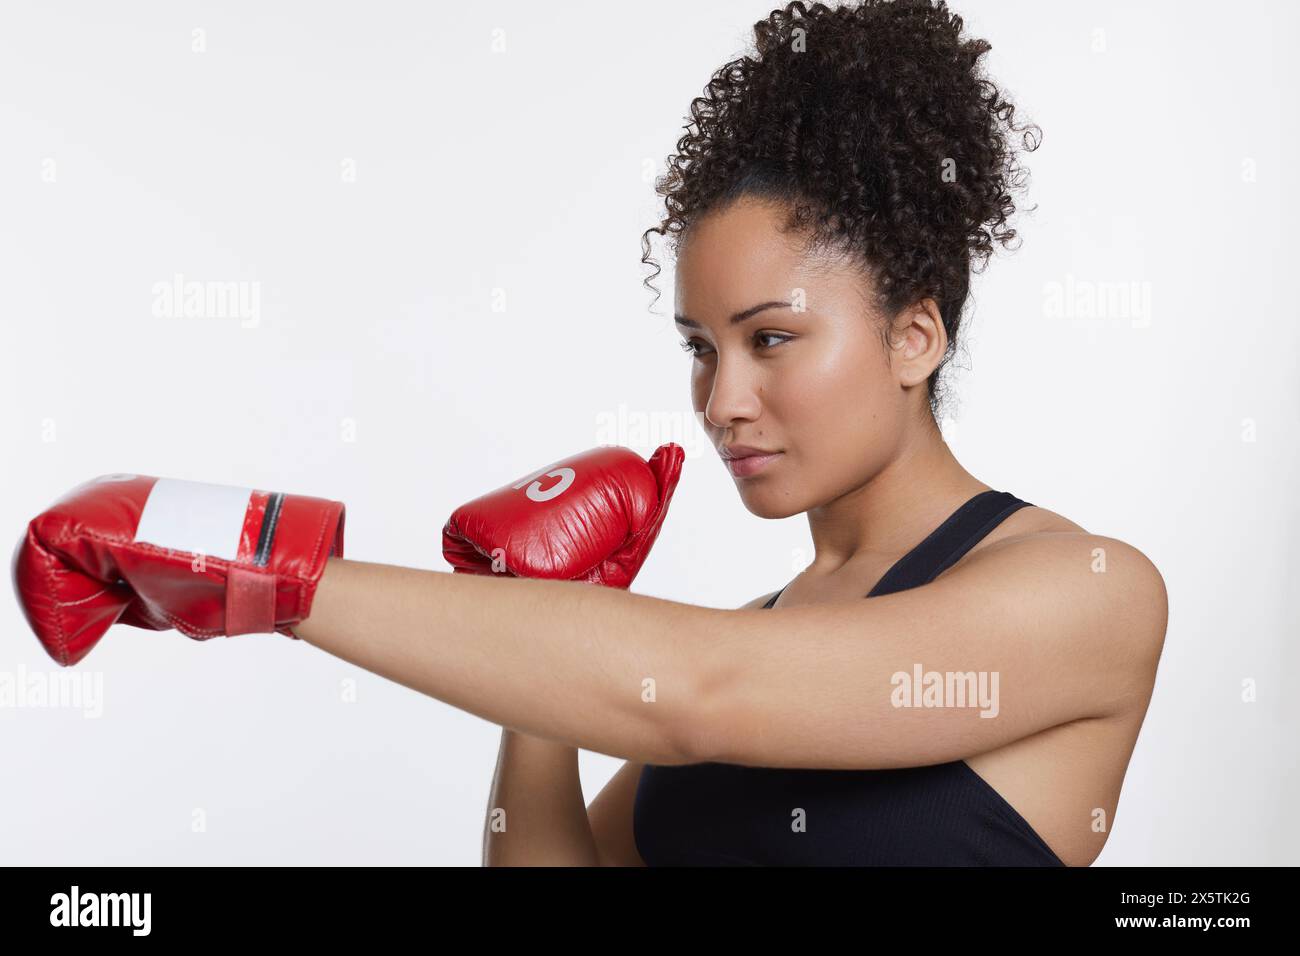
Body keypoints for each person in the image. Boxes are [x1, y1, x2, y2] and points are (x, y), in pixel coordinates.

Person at [12, 0, 1167, 867]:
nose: (719, 400)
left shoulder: (1088, 592)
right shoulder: (748, 637)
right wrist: (533, 684)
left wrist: (268, 564)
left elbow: (699, 691)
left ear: (916, 336)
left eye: (769, 339)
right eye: (699, 347)